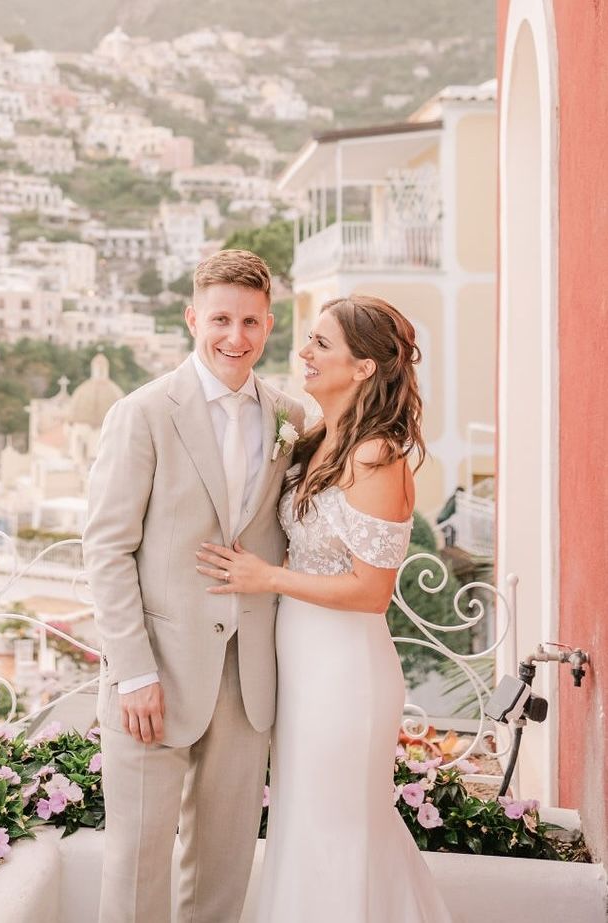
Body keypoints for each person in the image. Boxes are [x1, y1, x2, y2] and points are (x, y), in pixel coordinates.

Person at [196, 295, 453, 922]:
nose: (304, 354)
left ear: (363, 367)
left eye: (321, 344)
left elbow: (372, 592)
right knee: (303, 826)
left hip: (345, 674)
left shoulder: (375, 456)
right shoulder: (318, 442)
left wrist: (268, 577)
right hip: (303, 668)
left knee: (338, 829)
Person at [83, 249, 304, 923]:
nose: (235, 337)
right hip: (155, 677)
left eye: (250, 321)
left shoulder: (293, 420)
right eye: (220, 319)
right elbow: (107, 548)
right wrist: (132, 672)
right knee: (137, 872)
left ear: (270, 324)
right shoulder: (143, 412)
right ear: (191, 318)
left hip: (247, 682)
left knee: (222, 872)